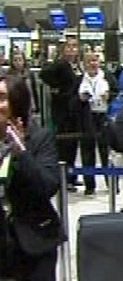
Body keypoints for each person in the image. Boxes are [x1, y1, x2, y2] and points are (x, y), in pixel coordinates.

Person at [0, 75, 64, 281]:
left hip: (35, 240)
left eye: (2, 98)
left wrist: (19, 148)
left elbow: (46, 185)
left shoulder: (38, 138)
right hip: (3, 244)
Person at [39, 37, 88, 192]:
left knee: (73, 146)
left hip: (74, 112)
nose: (72, 49)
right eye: (69, 47)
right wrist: (57, 88)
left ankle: (71, 177)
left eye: (75, 46)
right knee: (64, 147)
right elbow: (43, 74)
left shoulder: (76, 66)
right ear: (63, 49)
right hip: (63, 113)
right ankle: (63, 178)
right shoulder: (60, 64)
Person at [77, 51, 114, 195]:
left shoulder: (107, 77)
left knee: (106, 152)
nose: (93, 64)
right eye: (89, 61)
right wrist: (81, 99)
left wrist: (109, 96)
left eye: (95, 61)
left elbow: (117, 92)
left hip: (103, 116)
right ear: (84, 64)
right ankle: (89, 185)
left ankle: (111, 183)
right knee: (87, 152)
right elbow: (73, 102)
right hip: (87, 119)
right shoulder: (80, 80)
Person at [7, 49, 39, 122]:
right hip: (15, 109)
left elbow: (34, 91)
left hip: (29, 108)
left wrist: (36, 107)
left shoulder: (29, 74)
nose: (18, 62)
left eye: (20, 60)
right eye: (15, 60)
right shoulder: (9, 76)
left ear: (24, 61)